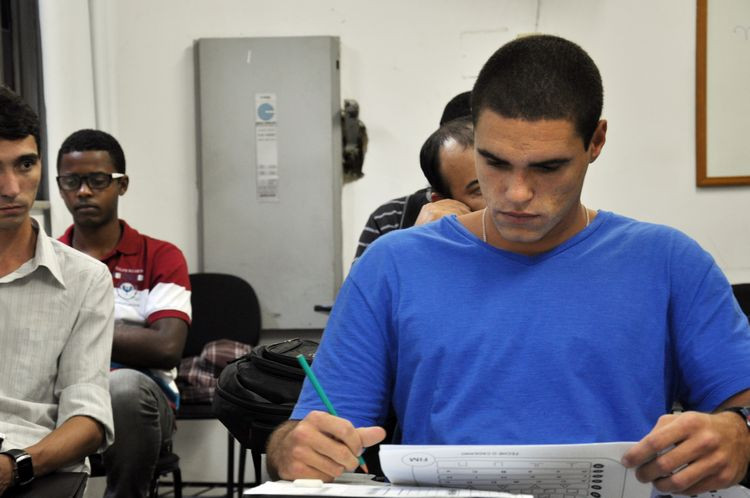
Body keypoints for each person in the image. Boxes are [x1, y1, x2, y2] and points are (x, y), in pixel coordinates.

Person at [266, 35, 750, 496]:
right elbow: (316, 432)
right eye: (494, 162)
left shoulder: (668, 264)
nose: (516, 194)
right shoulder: (392, 267)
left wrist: (738, 435)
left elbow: (742, 408)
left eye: (547, 167)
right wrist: (291, 448)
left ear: (596, 141)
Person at [56, 129, 191, 498]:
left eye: (97, 180)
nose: (83, 191)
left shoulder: (161, 256)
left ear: (122, 185)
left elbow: (166, 348)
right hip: (62, 399)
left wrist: (77, 332)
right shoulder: (49, 260)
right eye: (71, 181)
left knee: (122, 387)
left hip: (141, 399)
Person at [0, 87, 114, 494]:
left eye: (25, 164)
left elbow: (88, 420)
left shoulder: (86, 278)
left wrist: (15, 467)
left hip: (37, 468)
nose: (12, 187)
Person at [354, 116, 485, 261]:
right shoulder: (391, 221)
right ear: (443, 202)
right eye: (480, 189)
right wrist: (417, 244)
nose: (508, 196)